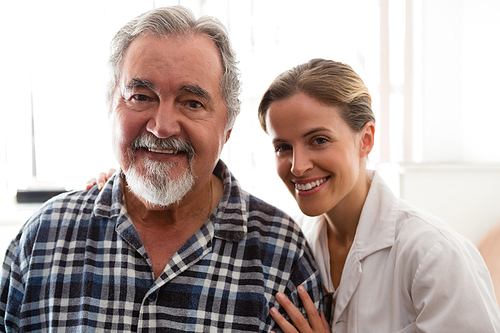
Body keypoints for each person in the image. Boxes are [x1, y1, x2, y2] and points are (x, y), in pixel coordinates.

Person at [0, 6, 323, 332]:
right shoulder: (41, 241)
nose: (162, 127)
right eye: (140, 96)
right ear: (110, 107)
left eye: (192, 102)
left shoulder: (282, 257)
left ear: (228, 127)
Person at [257, 58, 500, 332]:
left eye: (319, 140)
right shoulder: (294, 244)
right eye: (283, 147)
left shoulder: (434, 254)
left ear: (366, 139)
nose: (297, 166)